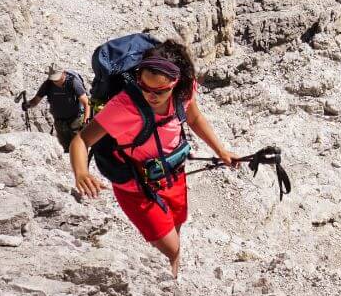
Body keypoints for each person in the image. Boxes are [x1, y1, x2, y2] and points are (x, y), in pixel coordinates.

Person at [69, 41, 237, 277]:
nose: (151, 96)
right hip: (136, 186)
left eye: (160, 91)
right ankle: (167, 271)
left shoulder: (184, 92)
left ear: (176, 83)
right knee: (171, 246)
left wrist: (221, 151)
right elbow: (81, 141)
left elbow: (195, 118)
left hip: (174, 177)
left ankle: (172, 277)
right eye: (144, 87)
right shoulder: (124, 106)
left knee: (176, 228)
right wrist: (81, 173)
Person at [27, 64, 91, 153]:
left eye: (57, 78)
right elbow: (36, 100)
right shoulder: (48, 84)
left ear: (63, 73)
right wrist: (28, 105)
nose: (55, 81)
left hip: (76, 120)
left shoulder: (73, 82)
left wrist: (86, 122)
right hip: (59, 123)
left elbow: (86, 103)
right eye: (53, 79)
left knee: (79, 149)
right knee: (65, 150)